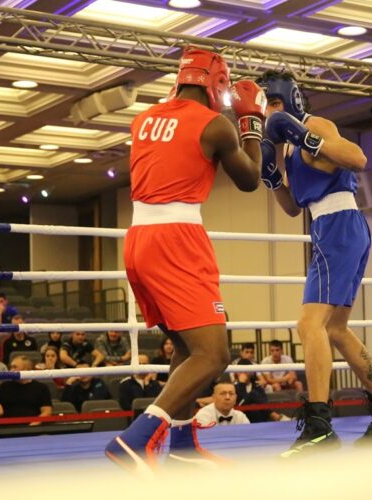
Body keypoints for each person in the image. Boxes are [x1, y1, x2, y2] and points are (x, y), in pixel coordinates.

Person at [104, 46, 263, 473]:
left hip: (139, 238)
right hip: (176, 239)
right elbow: (250, 179)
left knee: (188, 346)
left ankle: (181, 444)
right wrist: (252, 122)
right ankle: (134, 440)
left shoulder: (144, 118)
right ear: (217, 84)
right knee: (214, 355)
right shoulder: (215, 125)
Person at [256, 70, 372, 456]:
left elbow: (357, 158)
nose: (271, 111)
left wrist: (301, 133)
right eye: (266, 105)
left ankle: (320, 425)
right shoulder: (287, 147)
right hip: (329, 227)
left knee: (309, 324)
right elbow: (293, 208)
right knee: (336, 328)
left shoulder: (314, 125)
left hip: (339, 225)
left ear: (291, 100)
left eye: (275, 102)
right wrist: (271, 177)